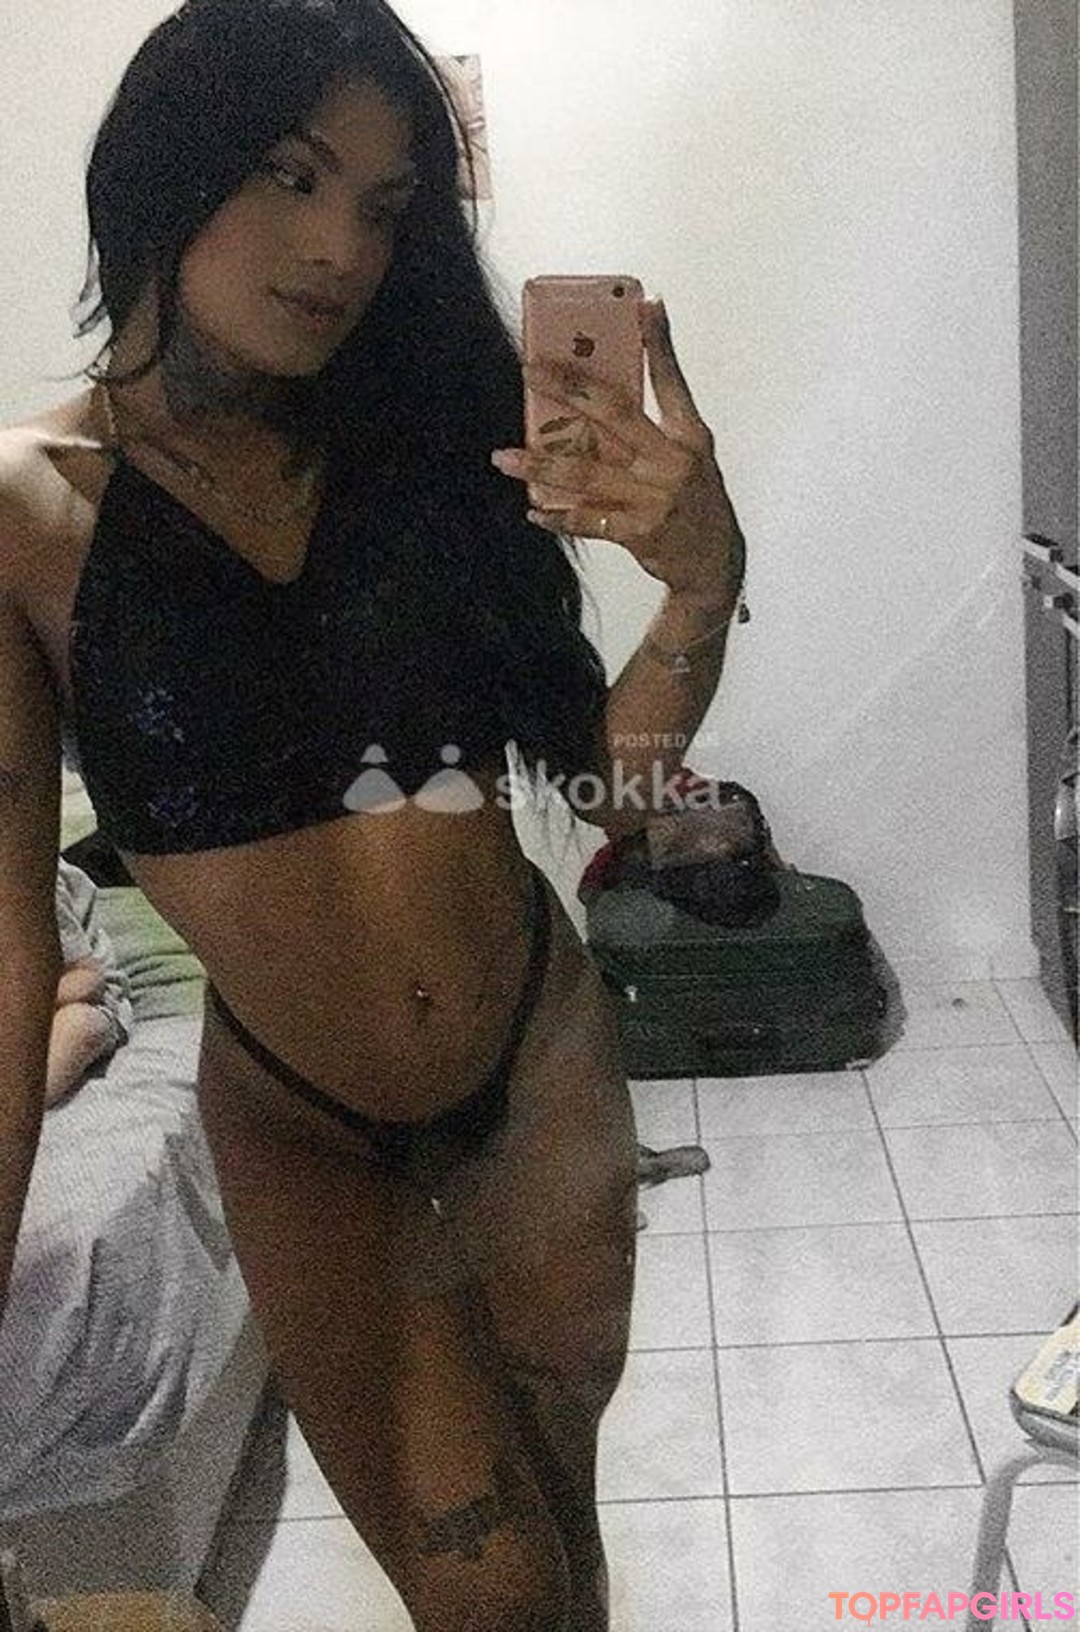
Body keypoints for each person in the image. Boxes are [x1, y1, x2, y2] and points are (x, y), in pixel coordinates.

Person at [0, 1, 745, 1627]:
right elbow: (8, 960)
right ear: (165, 167)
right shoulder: (29, 513)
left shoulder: (427, 455)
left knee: (561, 1522)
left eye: (386, 207)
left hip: (537, 1062)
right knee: (491, 1598)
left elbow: (608, 793)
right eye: (291, 175)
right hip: (307, 1126)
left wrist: (700, 587)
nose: (341, 246)